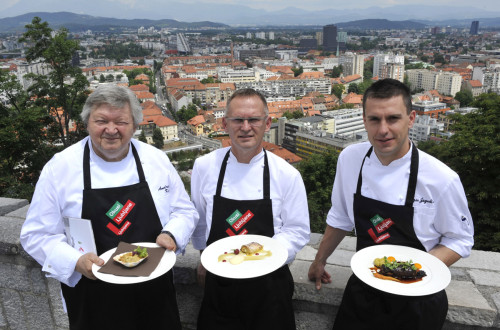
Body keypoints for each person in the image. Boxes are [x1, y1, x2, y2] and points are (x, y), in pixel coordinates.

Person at [20, 84, 199, 330]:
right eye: (101, 121)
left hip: (154, 292)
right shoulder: (60, 168)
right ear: (87, 124)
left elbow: (184, 211)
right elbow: (36, 234)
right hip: (92, 295)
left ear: (135, 125)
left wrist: (172, 234)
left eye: (121, 122)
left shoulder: (155, 159)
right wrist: (75, 261)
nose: (111, 130)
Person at [308, 78, 474, 330]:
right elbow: (341, 216)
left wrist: (410, 273)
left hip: (418, 300)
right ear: (364, 120)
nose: (383, 129)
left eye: (393, 118)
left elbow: (460, 240)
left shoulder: (441, 178)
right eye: (374, 119)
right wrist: (320, 260)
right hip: (364, 293)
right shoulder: (350, 159)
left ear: (412, 118)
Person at [191, 88, 310, 330]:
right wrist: (205, 257)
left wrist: (262, 259)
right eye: (238, 120)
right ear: (225, 123)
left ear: (267, 123)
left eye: (253, 119)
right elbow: (200, 220)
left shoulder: (287, 174)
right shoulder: (204, 167)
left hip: (270, 288)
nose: (246, 127)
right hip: (220, 284)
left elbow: (297, 231)